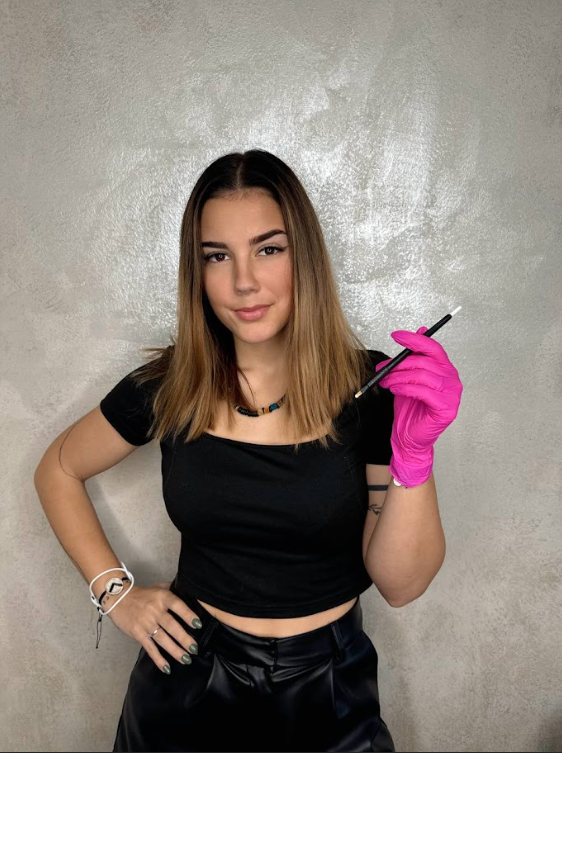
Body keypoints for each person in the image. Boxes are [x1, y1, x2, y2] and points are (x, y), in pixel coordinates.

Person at [34, 149, 463, 752]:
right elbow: (57, 470)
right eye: (217, 256)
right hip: (186, 680)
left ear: (304, 256)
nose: (243, 281)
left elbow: (401, 585)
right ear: (197, 271)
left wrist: (414, 457)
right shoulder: (170, 386)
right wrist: (118, 594)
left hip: (329, 687)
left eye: (269, 249)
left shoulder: (368, 390)